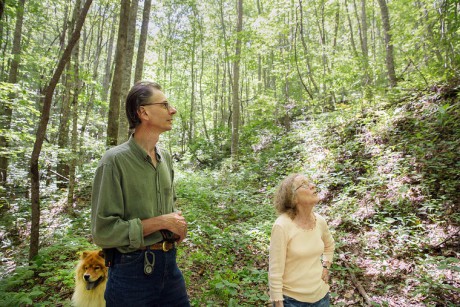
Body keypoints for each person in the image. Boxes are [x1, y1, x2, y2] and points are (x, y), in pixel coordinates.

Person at [91, 81, 190, 306]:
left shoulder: (165, 157)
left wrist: (176, 225)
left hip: (170, 266)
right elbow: (103, 232)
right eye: (164, 105)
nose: (172, 110)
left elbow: (168, 208)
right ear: (143, 112)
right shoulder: (114, 161)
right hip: (130, 273)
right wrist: (160, 222)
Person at [269, 173, 335, 307]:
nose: (312, 186)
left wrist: (326, 266)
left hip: (321, 297)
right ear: (293, 198)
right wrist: (278, 302)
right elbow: (275, 271)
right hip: (292, 301)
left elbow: (330, 245)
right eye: (304, 185)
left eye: (310, 182)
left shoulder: (320, 221)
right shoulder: (282, 225)